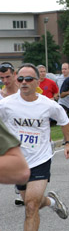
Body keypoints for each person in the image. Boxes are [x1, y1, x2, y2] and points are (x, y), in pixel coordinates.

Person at [0, 63, 69, 230]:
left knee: (31, 206)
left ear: (37, 82)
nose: (24, 82)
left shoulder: (48, 105)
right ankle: (51, 202)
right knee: (32, 201)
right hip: (18, 161)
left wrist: (68, 143)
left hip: (40, 158)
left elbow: (64, 121)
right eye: (20, 79)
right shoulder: (6, 104)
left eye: (28, 79)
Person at [0, 62, 27, 205]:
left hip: (27, 133)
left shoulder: (24, 90)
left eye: (8, 77)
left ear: (15, 74)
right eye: (2, 78)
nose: (5, 81)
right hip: (9, 137)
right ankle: (20, 187)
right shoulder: (1, 96)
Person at [0, 119, 30, 185]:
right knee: (25, 193)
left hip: (40, 155)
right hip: (21, 149)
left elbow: (20, 169)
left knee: (33, 195)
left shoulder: (49, 108)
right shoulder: (5, 109)